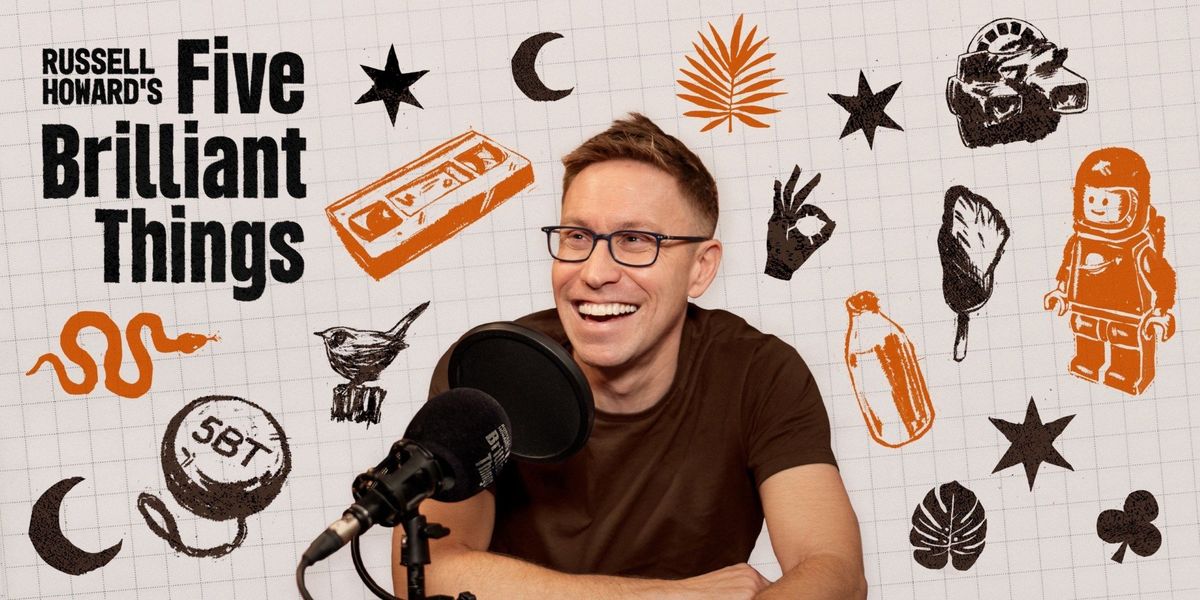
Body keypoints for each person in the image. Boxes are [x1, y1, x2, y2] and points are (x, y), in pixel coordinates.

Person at [393, 113, 866, 599]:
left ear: (701, 268)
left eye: (636, 241)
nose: (595, 272)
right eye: (577, 237)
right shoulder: (489, 369)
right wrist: (667, 598)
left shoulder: (759, 373)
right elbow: (428, 573)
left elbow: (834, 572)